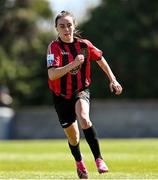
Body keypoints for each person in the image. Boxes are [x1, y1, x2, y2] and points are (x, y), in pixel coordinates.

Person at [46, 11, 122, 179]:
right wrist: (73, 64)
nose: (66, 29)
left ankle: (99, 159)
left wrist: (113, 79)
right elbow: (52, 75)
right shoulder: (54, 47)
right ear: (56, 29)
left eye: (69, 25)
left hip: (81, 89)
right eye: (62, 26)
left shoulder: (84, 45)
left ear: (74, 26)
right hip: (60, 96)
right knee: (73, 137)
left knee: (84, 118)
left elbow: (101, 59)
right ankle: (79, 162)